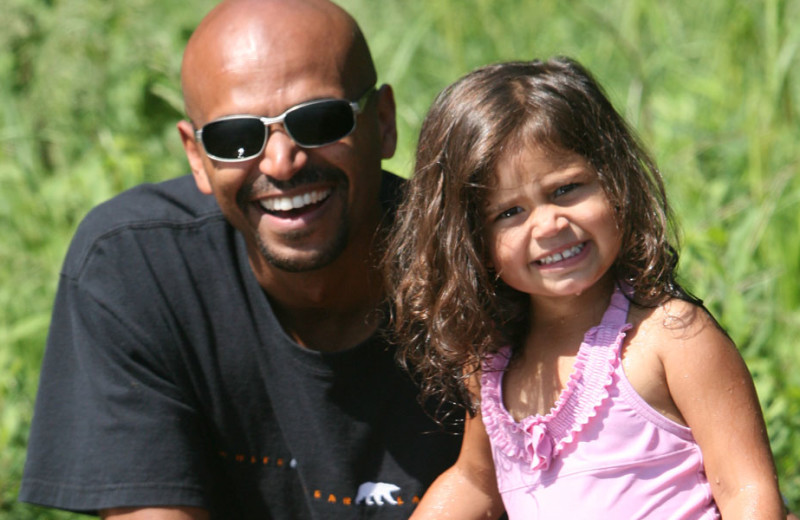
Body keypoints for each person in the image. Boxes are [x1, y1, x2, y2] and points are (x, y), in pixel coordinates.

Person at [19, 0, 461, 518]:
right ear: (196, 158)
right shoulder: (137, 269)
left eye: (317, 120)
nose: (281, 161)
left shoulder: (476, 265)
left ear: (382, 123)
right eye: (235, 138)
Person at [385, 57, 788, 519]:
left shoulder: (669, 340)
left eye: (566, 189)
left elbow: (747, 492)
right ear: (470, 241)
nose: (550, 223)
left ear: (615, 180)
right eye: (509, 213)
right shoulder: (494, 364)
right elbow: (475, 482)